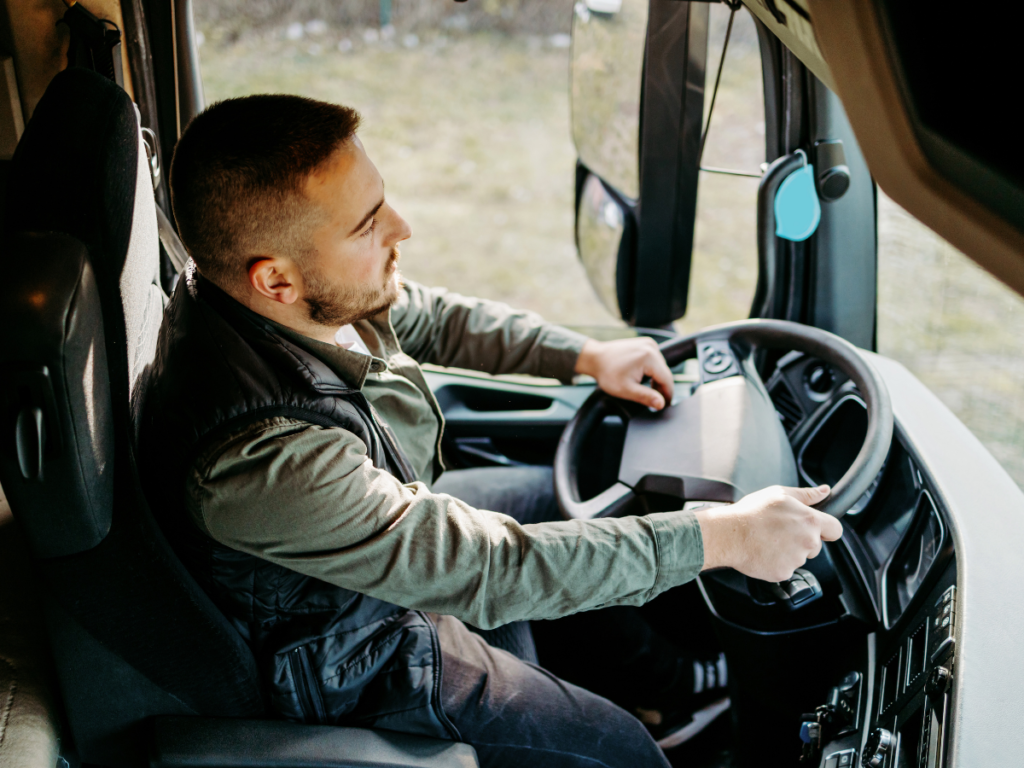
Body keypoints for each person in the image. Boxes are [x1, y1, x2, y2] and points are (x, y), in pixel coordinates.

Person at [135, 94, 842, 768]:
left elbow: (431, 316)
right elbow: (488, 570)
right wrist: (722, 537)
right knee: (615, 749)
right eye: (367, 225)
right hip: (349, 645)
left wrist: (585, 356)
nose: (402, 228)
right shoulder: (260, 456)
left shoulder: (291, 298)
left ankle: (671, 685)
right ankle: (648, 718)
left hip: (370, 549)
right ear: (276, 280)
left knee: (555, 500)